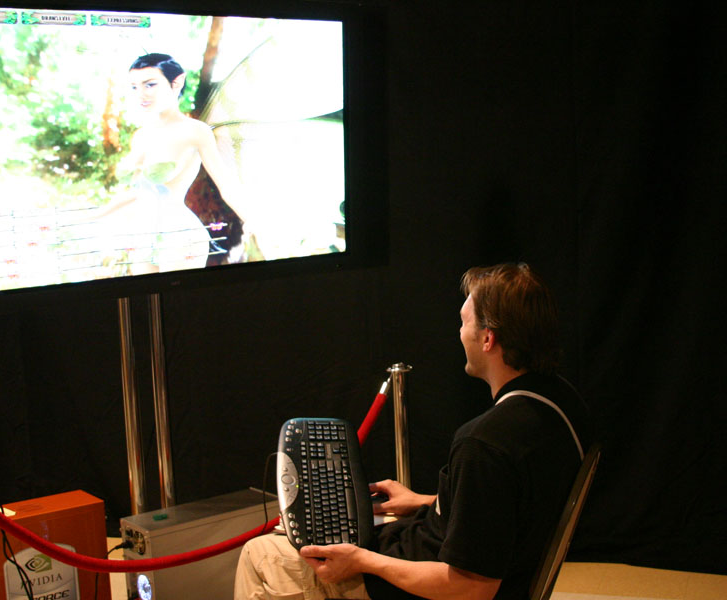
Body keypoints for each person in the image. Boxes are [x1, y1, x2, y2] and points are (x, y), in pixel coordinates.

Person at [234, 262, 593, 600]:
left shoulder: (484, 443)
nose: (459, 333)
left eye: (464, 322)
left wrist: (361, 561)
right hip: (444, 555)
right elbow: (510, 511)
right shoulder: (564, 404)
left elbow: (471, 588)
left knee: (261, 552)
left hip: (418, 586)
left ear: (487, 339)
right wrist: (424, 501)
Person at [100, 53, 238, 272]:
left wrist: (254, 222)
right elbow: (138, 192)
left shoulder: (196, 131)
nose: (141, 94)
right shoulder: (141, 136)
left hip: (179, 235)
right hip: (143, 236)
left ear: (177, 83)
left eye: (150, 84)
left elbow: (226, 185)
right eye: (134, 87)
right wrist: (93, 216)